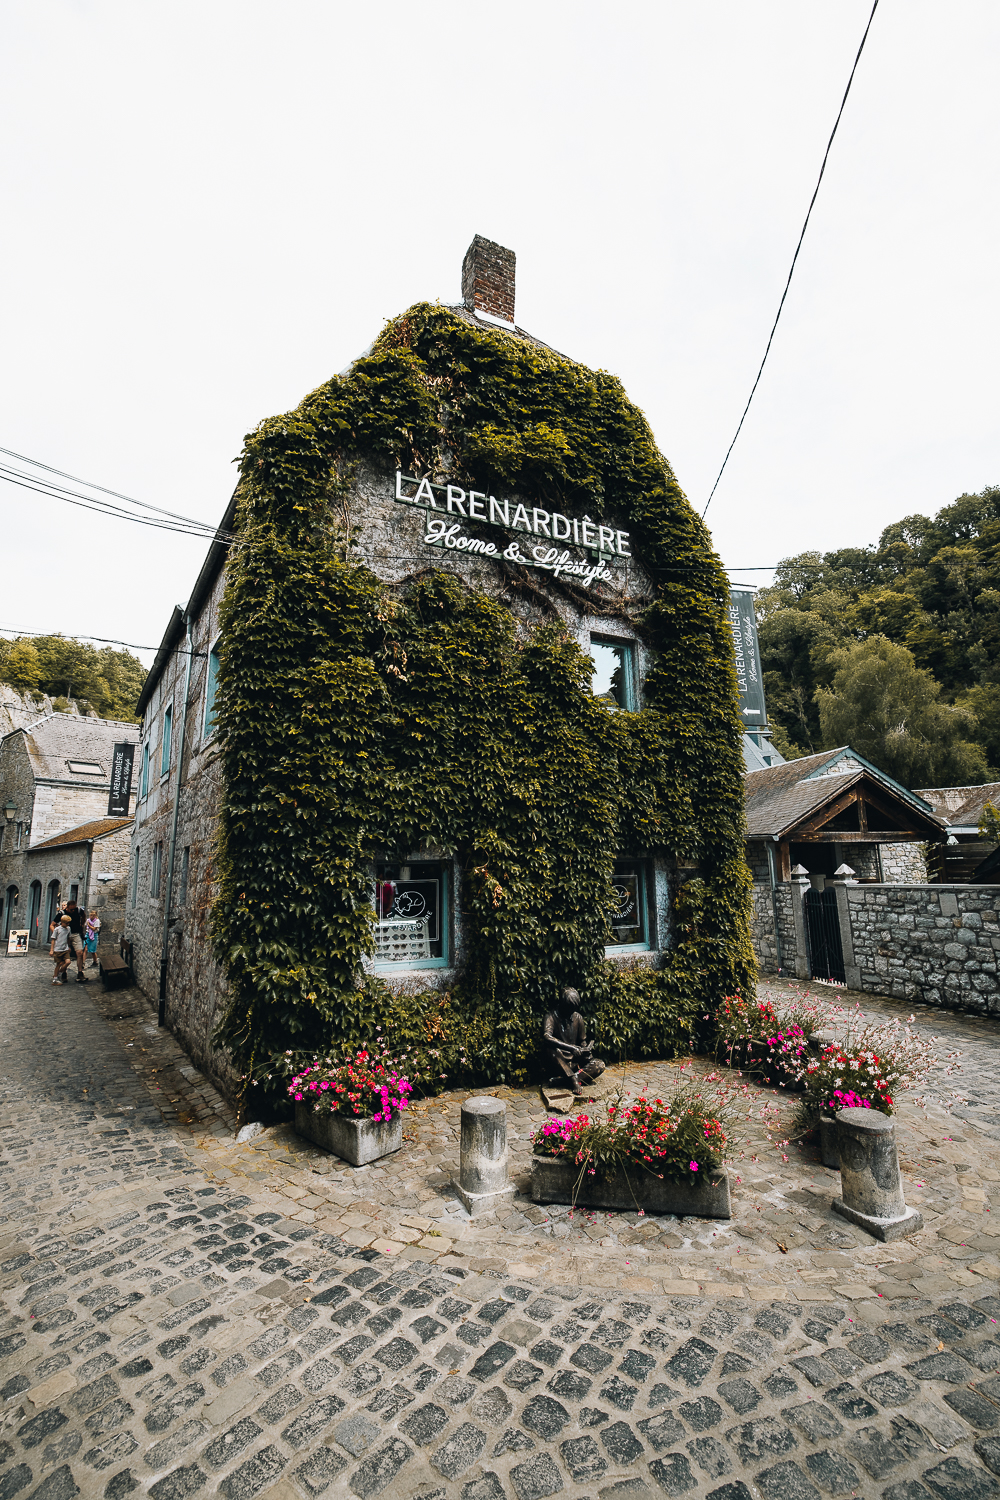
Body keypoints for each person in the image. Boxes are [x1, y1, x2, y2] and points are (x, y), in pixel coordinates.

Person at [543, 986, 606, 1095]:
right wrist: (571, 1048)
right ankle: (572, 1079)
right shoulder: (551, 1016)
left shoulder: (578, 1018)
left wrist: (585, 1050)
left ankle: (566, 1080)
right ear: (562, 1005)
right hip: (560, 1062)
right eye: (569, 1009)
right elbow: (547, 1036)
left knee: (599, 1065)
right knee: (551, 1049)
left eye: (573, 1010)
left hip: (575, 1061)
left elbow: (582, 1041)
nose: (571, 1012)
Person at [64, 901, 89, 982]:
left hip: (76, 934)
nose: (73, 911)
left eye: (74, 909)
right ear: (67, 908)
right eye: (71, 910)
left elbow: (84, 915)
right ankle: (64, 972)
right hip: (65, 935)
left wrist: (82, 924)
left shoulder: (78, 910)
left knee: (79, 952)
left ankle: (80, 972)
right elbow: (53, 924)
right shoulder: (62, 913)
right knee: (65, 953)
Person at [50, 914, 72, 985]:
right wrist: (52, 950)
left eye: (69, 923)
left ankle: (59, 972)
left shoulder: (68, 928)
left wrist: (69, 946)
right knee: (59, 964)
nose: (68, 924)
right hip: (58, 949)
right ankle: (55, 979)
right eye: (67, 923)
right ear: (62, 922)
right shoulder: (57, 929)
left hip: (65, 949)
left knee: (68, 962)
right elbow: (53, 939)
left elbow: (68, 938)